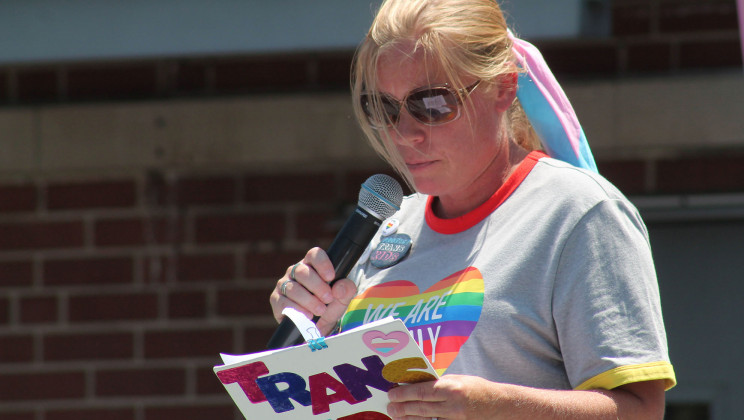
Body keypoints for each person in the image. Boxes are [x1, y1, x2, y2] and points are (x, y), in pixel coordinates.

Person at [269, 0, 676, 418]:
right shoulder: (388, 227)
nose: (405, 134)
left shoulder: (579, 213)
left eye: (431, 104)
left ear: (502, 88)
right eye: (384, 108)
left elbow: (641, 410)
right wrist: (308, 325)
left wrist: (499, 407)